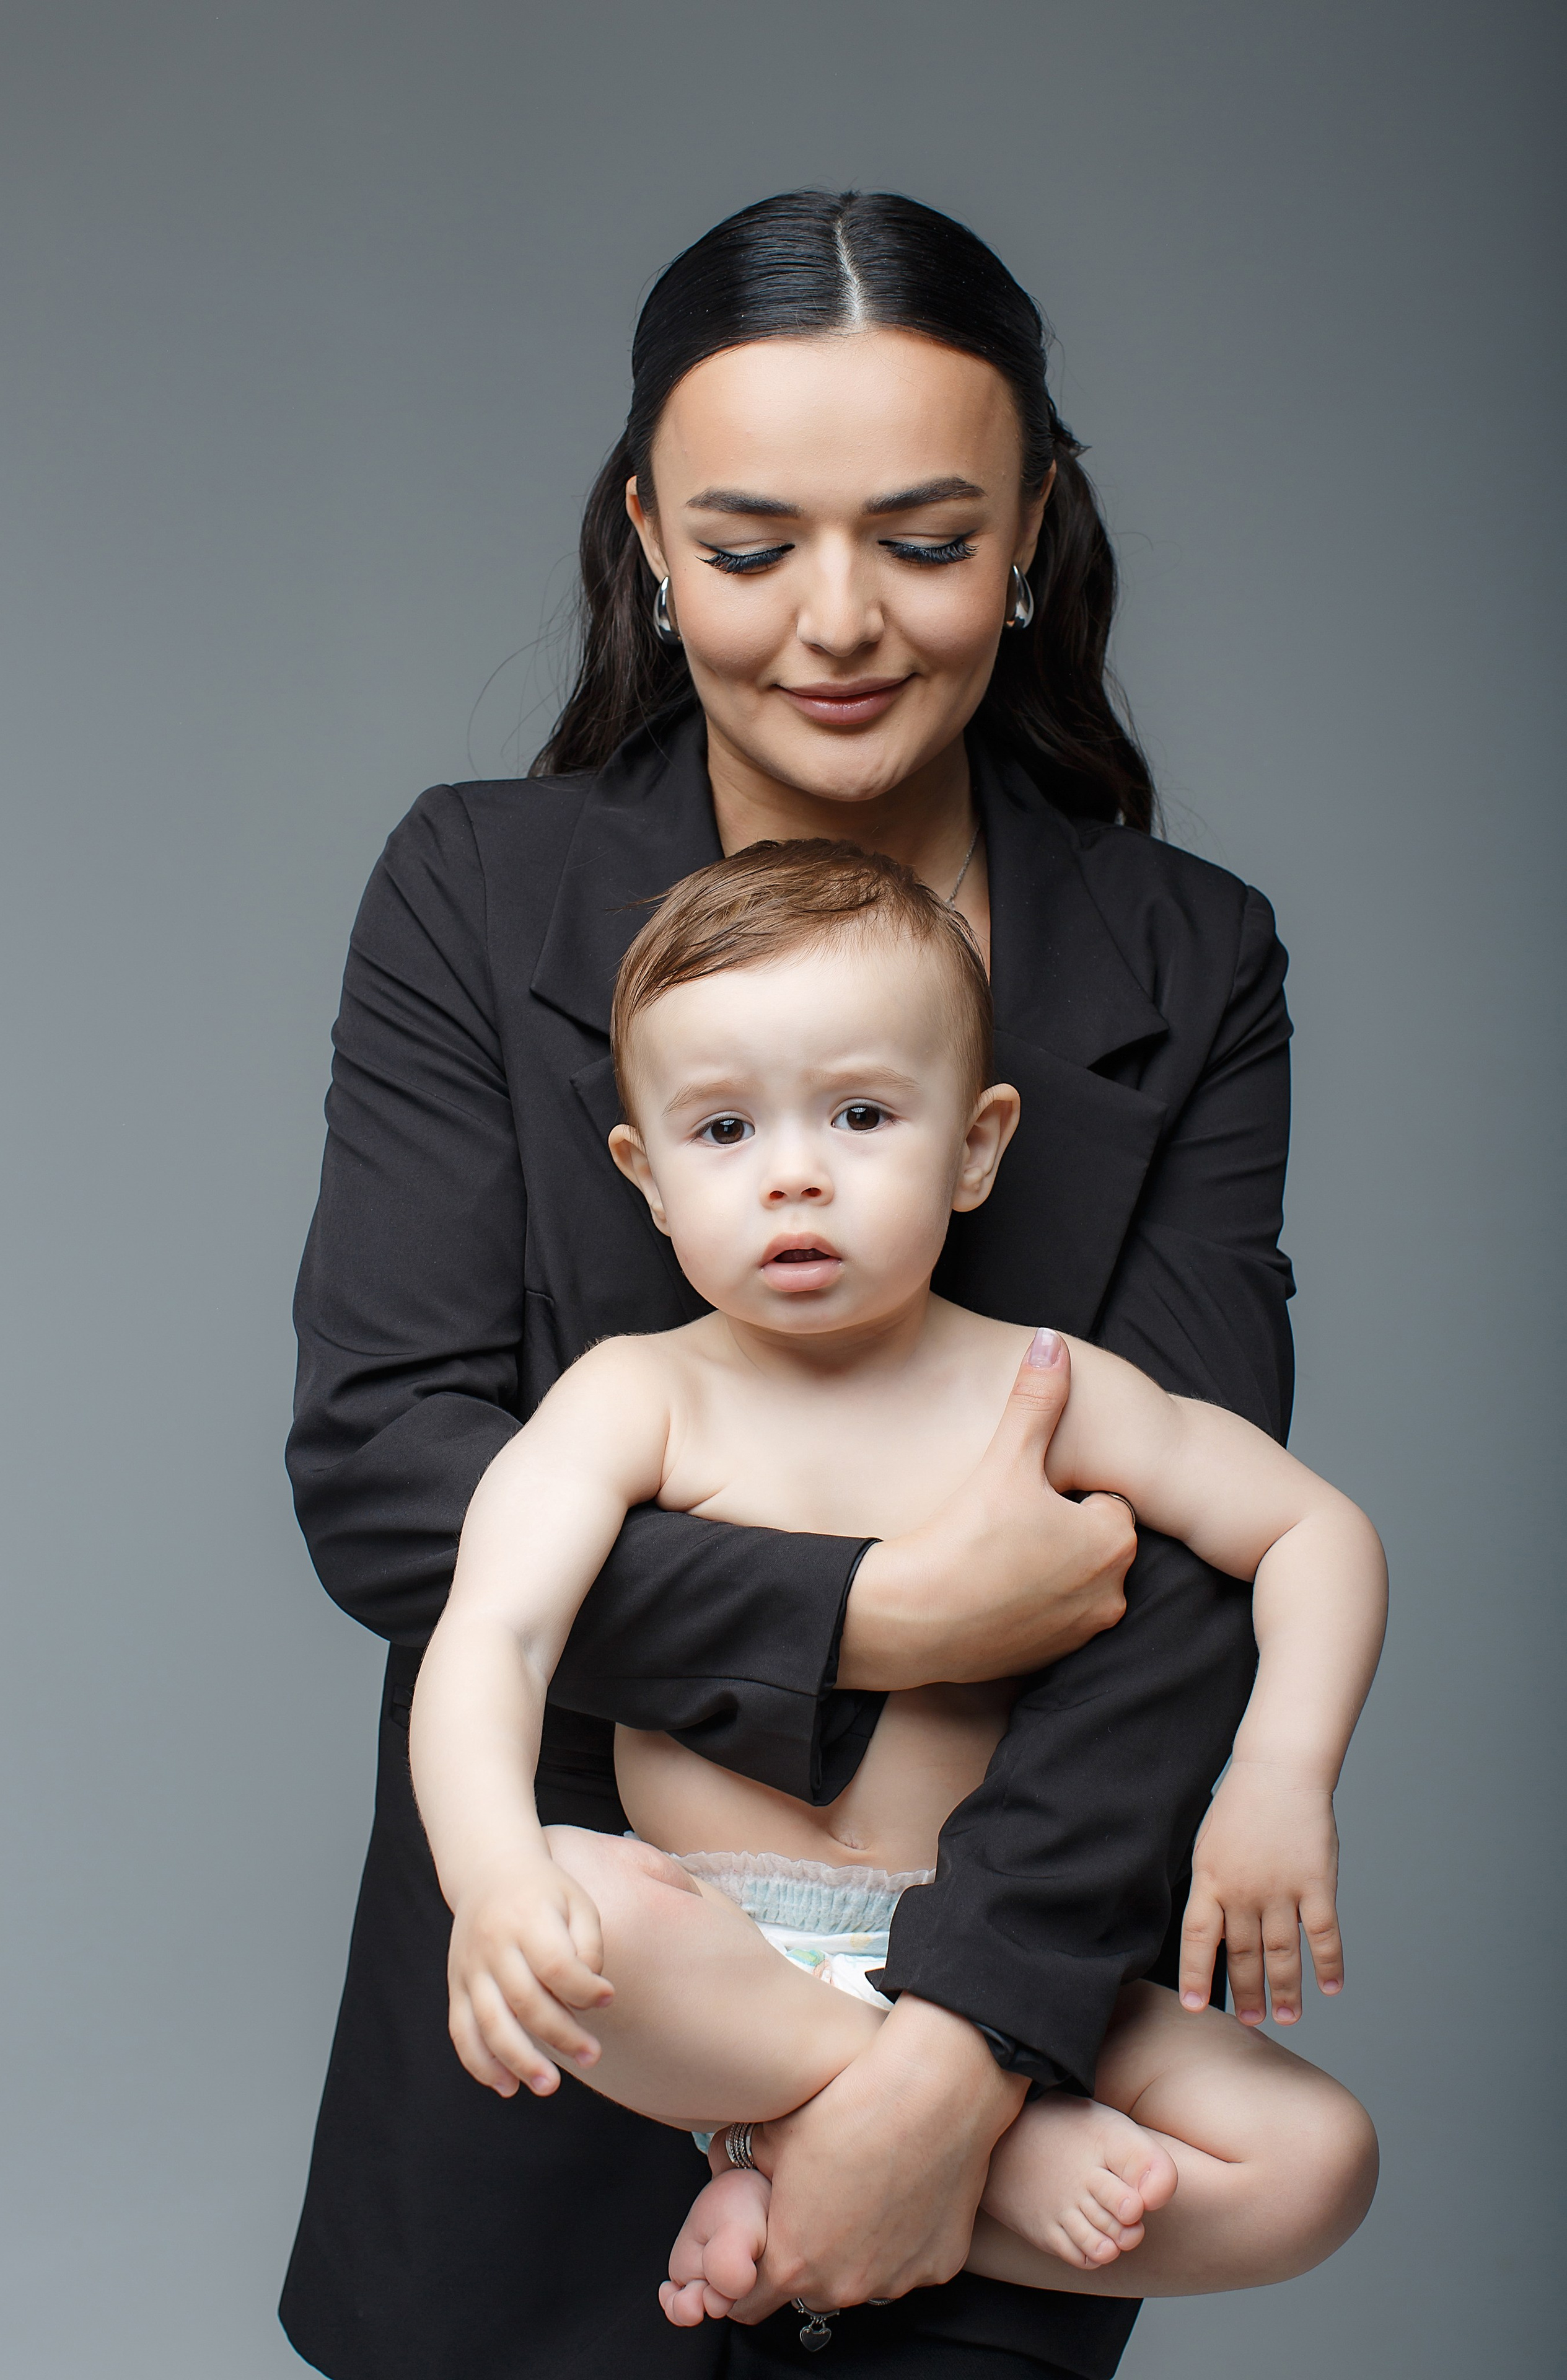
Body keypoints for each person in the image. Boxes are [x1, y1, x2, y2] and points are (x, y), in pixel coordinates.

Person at [280, 188, 1302, 2380]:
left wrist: (949, 2071)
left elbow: (1207, 1557)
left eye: (927, 540)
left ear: (1032, 529)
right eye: (749, 549)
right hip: (557, 2039)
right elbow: (389, 1478)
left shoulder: (1181, 953)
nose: (836, 623)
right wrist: (870, 1615)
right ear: (646, 539)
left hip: (1018, 2041)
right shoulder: (479, 892)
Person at [407, 840, 1383, 2337]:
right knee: (578, 1908)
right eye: (722, 1129)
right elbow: (493, 1634)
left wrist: (1279, 1773)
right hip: (719, 1957)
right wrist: (487, 1878)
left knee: (1316, 2165)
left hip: (985, 1965)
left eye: (860, 1114)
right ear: (645, 1178)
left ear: (977, 1146)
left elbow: (1311, 1532)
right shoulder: (637, 1399)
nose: (794, 1169)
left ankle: (819, 2155)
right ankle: (911, 2131)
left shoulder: (1045, 1385)